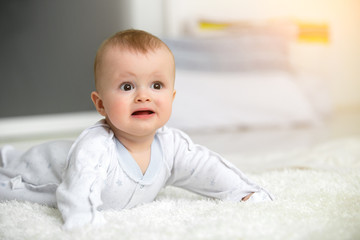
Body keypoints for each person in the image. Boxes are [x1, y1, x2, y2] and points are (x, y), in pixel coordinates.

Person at [0, 29, 273, 230]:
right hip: (31, 170)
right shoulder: (95, 148)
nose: (144, 96)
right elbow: (78, 191)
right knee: (9, 165)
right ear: (101, 104)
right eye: (127, 87)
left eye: (156, 85)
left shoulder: (172, 147)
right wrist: (85, 224)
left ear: (172, 98)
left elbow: (207, 169)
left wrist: (243, 192)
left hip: (51, 156)